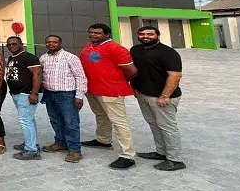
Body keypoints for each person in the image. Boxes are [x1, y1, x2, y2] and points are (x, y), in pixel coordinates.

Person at [79, 23, 139, 170]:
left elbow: (131, 71)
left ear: (107, 34)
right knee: (101, 115)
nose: (93, 35)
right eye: (91, 32)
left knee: (119, 122)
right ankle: (103, 140)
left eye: (97, 33)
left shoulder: (115, 48)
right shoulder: (89, 45)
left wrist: (116, 81)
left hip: (110, 91)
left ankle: (127, 156)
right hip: (92, 89)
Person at [129, 26, 187, 171]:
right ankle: (161, 152)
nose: (145, 36)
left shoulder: (168, 52)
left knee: (167, 127)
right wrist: (135, 89)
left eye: (150, 34)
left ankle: (175, 159)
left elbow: (175, 75)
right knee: (154, 124)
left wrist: (165, 95)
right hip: (143, 94)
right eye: (142, 34)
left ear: (157, 35)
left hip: (162, 97)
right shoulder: (135, 50)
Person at [39, 35, 87, 163]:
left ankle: (75, 150)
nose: (51, 44)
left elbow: (80, 77)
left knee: (71, 122)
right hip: (49, 94)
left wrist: (79, 96)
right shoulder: (43, 58)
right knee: (55, 120)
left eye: (54, 42)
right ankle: (61, 143)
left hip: (67, 95)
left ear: (60, 43)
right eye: (48, 42)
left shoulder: (70, 57)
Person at [4, 36, 43, 160]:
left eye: (15, 43)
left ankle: (31, 150)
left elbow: (37, 75)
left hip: (27, 94)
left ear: (21, 44)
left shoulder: (29, 57)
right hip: (18, 93)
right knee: (29, 120)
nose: (12, 46)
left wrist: (34, 93)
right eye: (9, 44)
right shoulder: (12, 58)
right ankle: (31, 143)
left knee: (25, 121)